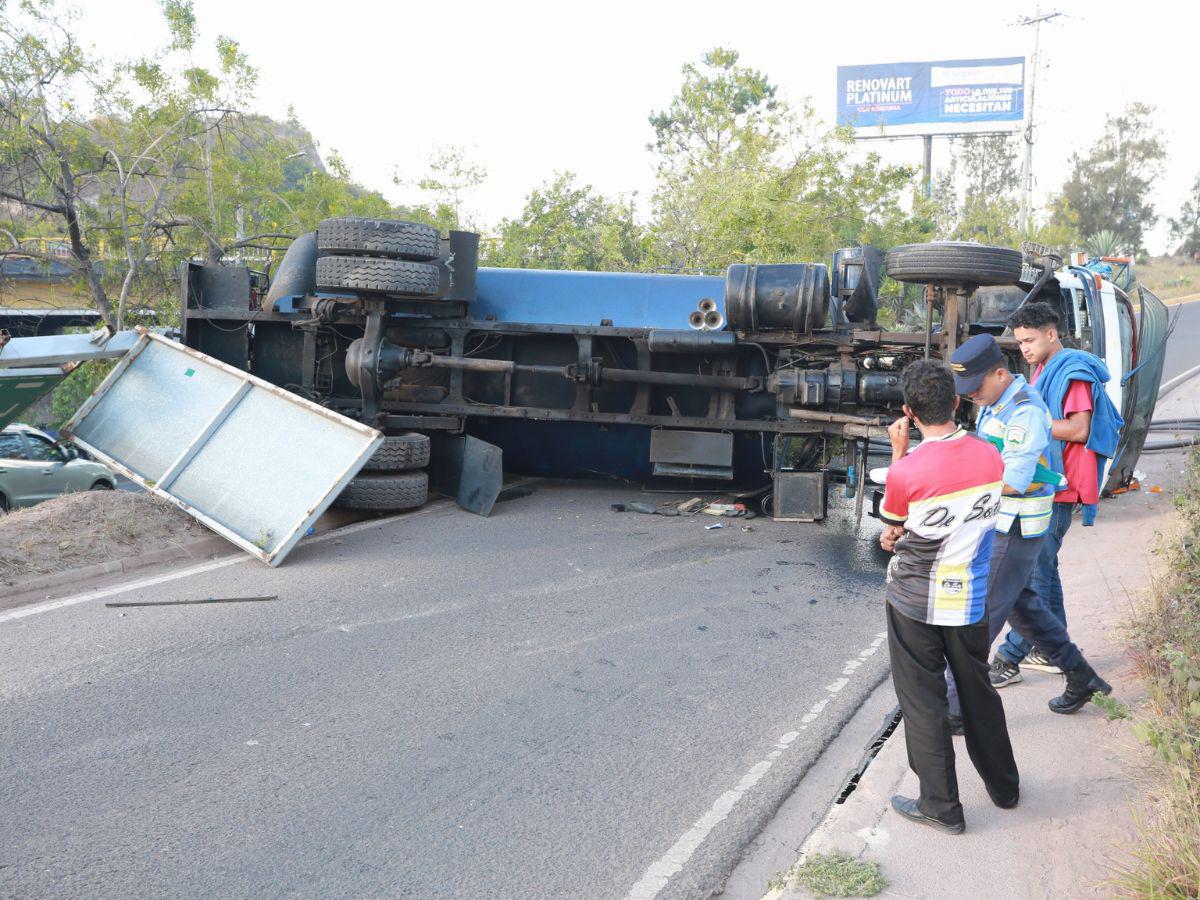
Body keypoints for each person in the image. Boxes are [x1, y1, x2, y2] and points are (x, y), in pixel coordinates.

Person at [878, 360, 1018, 834]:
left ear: (909, 412)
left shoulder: (908, 469)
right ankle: (1005, 787)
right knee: (977, 690)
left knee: (923, 702)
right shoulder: (990, 455)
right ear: (957, 402)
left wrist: (900, 450)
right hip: (971, 599)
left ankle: (941, 806)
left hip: (915, 600)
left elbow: (894, 523)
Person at [944, 334, 1111, 727]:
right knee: (1026, 611)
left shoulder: (1024, 412)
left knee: (979, 617)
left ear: (1000, 373)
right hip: (1000, 522)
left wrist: (955, 485)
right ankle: (1081, 676)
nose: (972, 398)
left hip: (1015, 527)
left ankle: (952, 709)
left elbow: (1015, 479)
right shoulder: (996, 402)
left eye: (975, 389)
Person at [990, 302, 1125, 683]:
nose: (1025, 349)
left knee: (1031, 579)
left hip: (1059, 486)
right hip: (1046, 486)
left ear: (1052, 334)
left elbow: (1079, 430)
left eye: (1030, 340)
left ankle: (1010, 655)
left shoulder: (1074, 372)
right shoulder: (1043, 370)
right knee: (1042, 573)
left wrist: (1028, 424)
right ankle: (1055, 653)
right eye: (1019, 343)